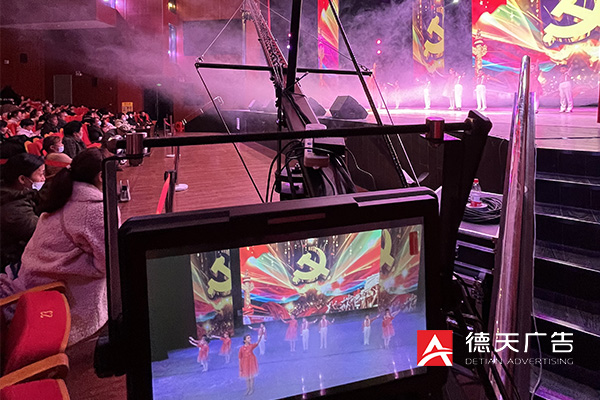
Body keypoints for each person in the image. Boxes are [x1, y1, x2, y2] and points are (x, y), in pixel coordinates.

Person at [9, 148, 110, 345]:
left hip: (37, 275)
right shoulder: (93, 207)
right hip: (56, 291)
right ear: (100, 176)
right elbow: (110, 263)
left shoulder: (65, 193)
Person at [0, 153, 45, 270]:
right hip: (12, 262)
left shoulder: (20, 193)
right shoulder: (14, 210)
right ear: (22, 179)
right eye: (41, 174)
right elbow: (43, 234)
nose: (43, 179)